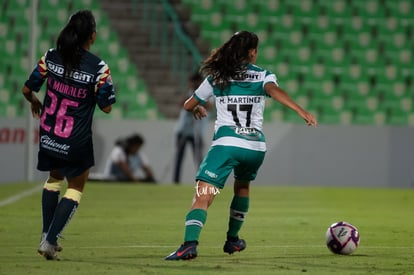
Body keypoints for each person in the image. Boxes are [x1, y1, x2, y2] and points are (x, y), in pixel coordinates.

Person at [165, 31, 317, 260]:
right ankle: (233, 240)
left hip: (227, 145)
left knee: (203, 196)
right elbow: (274, 92)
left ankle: (189, 244)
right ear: (253, 52)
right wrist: (300, 110)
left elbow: (188, 104)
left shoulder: (217, 76)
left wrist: (197, 107)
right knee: (242, 187)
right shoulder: (263, 75)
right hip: (255, 148)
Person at [22, 10, 116, 260]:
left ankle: (46, 236)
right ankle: (50, 240)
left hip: (49, 133)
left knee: (53, 179)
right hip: (75, 138)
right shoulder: (98, 68)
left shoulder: (50, 57)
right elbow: (106, 107)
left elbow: (26, 89)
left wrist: (34, 101)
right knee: (75, 186)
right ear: (93, 36)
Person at [173, 72, 211, 184]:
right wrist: (190, 92)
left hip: (197, 131)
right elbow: (182, 105)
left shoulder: (205, 94)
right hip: (183, 130)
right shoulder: (189, 93)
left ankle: (201, 180)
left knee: (198, 158)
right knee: (179, 158)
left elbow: (210, 107)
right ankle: (176, 181)